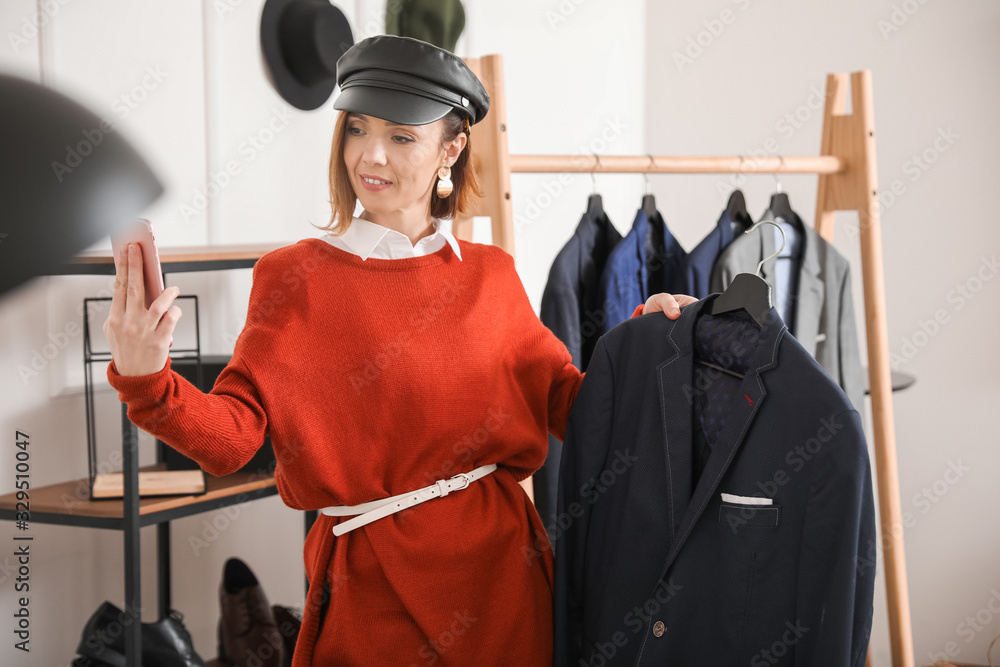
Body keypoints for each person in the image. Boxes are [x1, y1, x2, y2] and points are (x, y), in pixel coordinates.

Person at [103, 34, 696, 667]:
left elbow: (576, 409)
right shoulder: (294, 278)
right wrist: (147, 379)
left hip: (503, 587)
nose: (371, 155)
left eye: (402, 136)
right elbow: (232, 442)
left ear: (453, 148)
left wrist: (645, 337)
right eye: (357, 130)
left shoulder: (491, 275)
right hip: (370, 599)